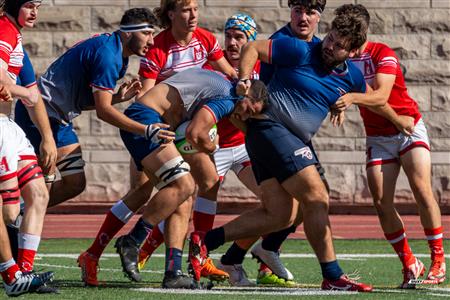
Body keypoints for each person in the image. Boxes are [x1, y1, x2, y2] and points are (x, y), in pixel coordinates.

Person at [188, 9, 374, 292]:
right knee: (317, 196)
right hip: (270, 128)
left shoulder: (352, 78)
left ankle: (204, 241)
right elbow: (252, 48)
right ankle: (332, 275)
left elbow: (378, 98)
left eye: (339, 46)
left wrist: (351, 100)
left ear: (352, 52)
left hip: (280, 140)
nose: (330, 46)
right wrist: (245, 79)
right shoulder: (300, 49)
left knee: (281, 214)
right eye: (331, 38)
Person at [78, 68, 266, 288]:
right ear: (246, 94)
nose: (243, 117)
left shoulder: (227, 86)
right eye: (248, 110)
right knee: (182, 185)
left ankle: (172, 271)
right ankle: (134, 240)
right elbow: (195, 134)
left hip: (163, 123)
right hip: (149, 120)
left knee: (182, 197)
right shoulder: (228, 97)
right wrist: (212, 146)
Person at [123, 0, 238, 282]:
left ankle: (179, 266)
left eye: (196, 9)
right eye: (186, 10)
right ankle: (128, 243)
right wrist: (211, 143)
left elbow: (231, 73)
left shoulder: (206, 40)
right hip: (155, 123)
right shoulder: (158, 47)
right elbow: (147, 96)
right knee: (168, 189)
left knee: (200, 185)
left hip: (179, 124)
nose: (193, 15)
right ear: (171, 14)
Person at [333, 4, 446, 289]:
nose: (345, 45)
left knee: (421, 189)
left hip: (409, 127)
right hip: (379, 137)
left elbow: (381, 95)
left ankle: (438, 261)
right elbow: (337, 86)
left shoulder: (383, 54)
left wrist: (351, 99)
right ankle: (410, 263)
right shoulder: (341, 58)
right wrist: (341, 102)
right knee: (381, 202)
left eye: (349, 39)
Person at [14, 8, 154, 209]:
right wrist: (145, 130)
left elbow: (88, 102)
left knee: (75, 183)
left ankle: (16, 215)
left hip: (58, 119)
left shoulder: (115, 52)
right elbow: (103, 112)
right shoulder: (109, 55)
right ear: (128, 32)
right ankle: (16, 224)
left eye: (153, 34)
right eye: (146, 33)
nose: (152, 41)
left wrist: (116, 98)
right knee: (41, 190)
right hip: (39, 116)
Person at [0, 0, 53, 275]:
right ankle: (11, 269)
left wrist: (47, 138)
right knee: (9, 212)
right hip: (0, 127)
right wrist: (23, 93)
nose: (34, 12)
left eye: (38, 6)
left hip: (10, 126)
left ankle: (25, 271)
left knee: (39, 193)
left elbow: (34, 94)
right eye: (30, 5)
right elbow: (3, 82)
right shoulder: (3, 30)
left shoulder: (15, 37)